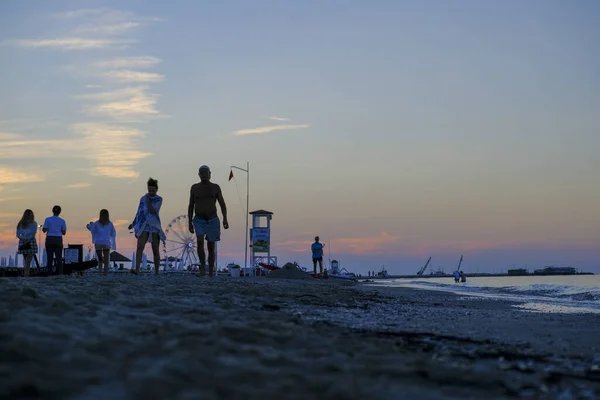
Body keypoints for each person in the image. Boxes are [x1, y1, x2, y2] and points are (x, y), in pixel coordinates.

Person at [188, 165, 229, 277]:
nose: (204, 175)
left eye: (206, 173)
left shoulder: (215, 187)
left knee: (211, 246)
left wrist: (225, 218)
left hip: (212, 219)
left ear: (210, 174)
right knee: (200, 242)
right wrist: (189, 222)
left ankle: (210, 271)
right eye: (202, 173)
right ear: (199, 175)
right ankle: (202, 268)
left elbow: (222, 204)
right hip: (199, 219)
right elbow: (191, 205)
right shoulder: (195, 188)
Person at [128, 178, 165, 275]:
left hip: (154, 225)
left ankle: (157, 271)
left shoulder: (159, 199)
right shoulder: (142, 198)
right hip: (144, 225)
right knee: (140, 246)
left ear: (156, 190)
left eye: (153, 190)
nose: (151, 192)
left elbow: (153, 210)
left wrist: (148, 200)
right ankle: (137, 269)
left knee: (155, 249)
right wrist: (133, 223)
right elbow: (139, 212)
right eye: (149, 190)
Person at [87, 209, 117, 276]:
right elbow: (113, 233)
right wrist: (111, 241)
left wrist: (88, 226)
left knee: (100, 259)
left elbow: (92, 230)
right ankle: (105, 274)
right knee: (106, 260)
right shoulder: (110, 224)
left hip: (98, 243)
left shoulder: (97, 223)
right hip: (106, 243)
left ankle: (100, 273)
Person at [42, 205, 67, 275]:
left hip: (49, 239)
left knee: (49, 258)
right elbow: (64, 232)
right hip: (58, 239)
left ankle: (50, 273)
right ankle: (59, 273)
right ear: (60, 212)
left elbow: (44, 230)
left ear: (52, 211)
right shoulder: (62, 221)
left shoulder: (47, 219)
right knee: (59, 258)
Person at [16, 209, 38, 277]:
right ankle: (26, 274)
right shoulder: (22, 223)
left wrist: (23, 239)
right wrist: (26, 239)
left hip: (26, 241)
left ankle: (26, 274)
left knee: (27, 260)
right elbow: (18, 234)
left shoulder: (33, 223)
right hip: (28, 241)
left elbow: (18, 234)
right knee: (27, 260)